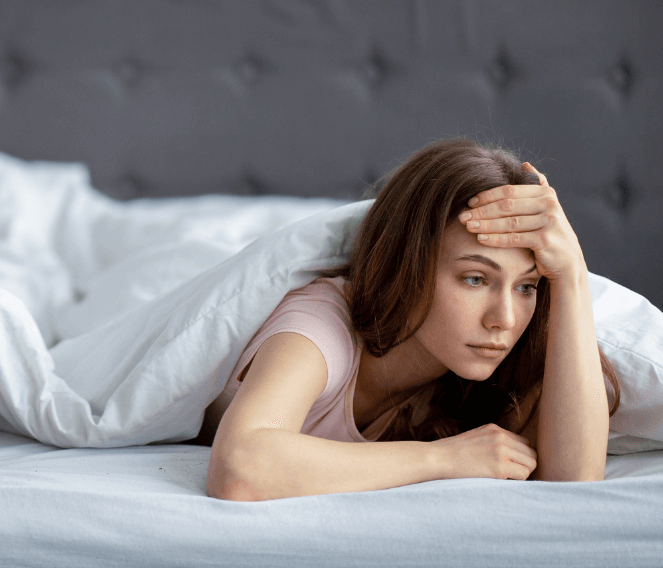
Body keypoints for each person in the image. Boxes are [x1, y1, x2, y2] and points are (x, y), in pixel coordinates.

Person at [204, 139, 621, 501]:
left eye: (526, 287)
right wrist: (444, 458)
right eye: (475, 279)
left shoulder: (499, 371)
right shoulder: (322, 325)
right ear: (410, 265)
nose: (504, 320)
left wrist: (571, 277)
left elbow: (576, 483)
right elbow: (241, 469)